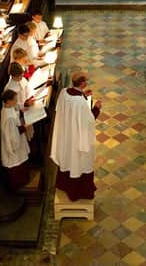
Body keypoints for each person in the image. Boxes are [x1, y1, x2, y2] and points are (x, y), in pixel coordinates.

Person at [50, 71, 102, 201]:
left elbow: (66, 109)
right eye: (86, 81)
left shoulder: (64, 92)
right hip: (76, 138)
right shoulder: (79, 102)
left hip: (66, 133)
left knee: (68, 159)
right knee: (78, 162)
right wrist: (96, 108)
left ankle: (64, 184)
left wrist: (83, 95)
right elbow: (88, 121)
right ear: (83, 83)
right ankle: (78, 192)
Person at [0, 89, 30, 191]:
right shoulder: (9, 118)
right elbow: (13, 135)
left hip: (14, 140)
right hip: (14, 146)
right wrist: (24, 127)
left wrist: (23, 107)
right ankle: (19, 185)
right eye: (15, 100)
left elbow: (16, 107)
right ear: (8, 101)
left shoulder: (6, 108)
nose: (17, 101)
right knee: (17, 164)